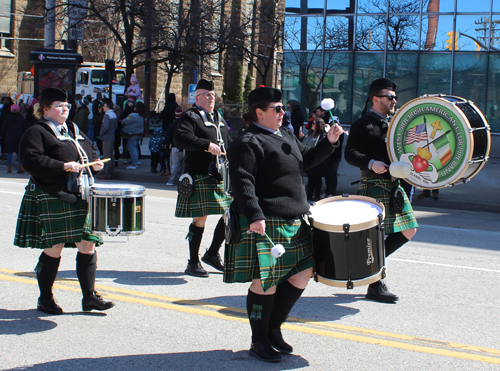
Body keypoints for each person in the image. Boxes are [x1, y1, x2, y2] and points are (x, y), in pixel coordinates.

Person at [225, 86, 343, 362]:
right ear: (258, 112)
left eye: (282, 108)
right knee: (265, 282)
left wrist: (329, 141)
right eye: (276, 108)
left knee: (302, 274)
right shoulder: (248, 141)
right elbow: (243, 182)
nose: (282, 112)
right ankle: (259, 340)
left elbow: (307, 161)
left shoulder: (285, 134)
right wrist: (254, 216)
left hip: (294, 218)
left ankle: (274, 328)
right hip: (267, 219)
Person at [14, 87, 114, 314]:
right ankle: (45, 297)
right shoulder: (38, 131)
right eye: (59, 106)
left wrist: (96, 164)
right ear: (45, 109)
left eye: (67, 106)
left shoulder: (73, 129)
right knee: (54, 246)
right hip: (53, 192)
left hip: (79, 193)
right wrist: (62, 166)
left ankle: (89, 297)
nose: (64, 109)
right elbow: (31, 160)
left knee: (88, 243)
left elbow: (90, 150)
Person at [344, 78, 418, 303]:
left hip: (395, 184)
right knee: (374, 237)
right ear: (376, 99)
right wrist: (370, 162)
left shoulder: (395, 124)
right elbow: (350, 153)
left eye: (395, 97)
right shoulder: (363, 124)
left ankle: (366, 267)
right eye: (390, 97)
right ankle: (375, 283)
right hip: (374, 183)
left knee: (408, 230)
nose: (395, 100)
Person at [173, 79, 231, 277]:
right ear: (197, 98)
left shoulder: (218, 117)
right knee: (200, 219)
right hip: (199, 173)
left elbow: (227, 142)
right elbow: (180, 138)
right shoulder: (191, 117)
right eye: (207, 95)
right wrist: (206, 144)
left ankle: (213, 253)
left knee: (229, 215)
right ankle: (193, 262)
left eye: (213, 95)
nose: (211, 97)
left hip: (219, 175)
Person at [301, 117, 329, 201]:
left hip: (317, 161)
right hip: (309, 158)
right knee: (310, 179)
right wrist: (301, 137)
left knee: (317, 179)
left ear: (318, 125)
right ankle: (309, 196)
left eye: (313, 123)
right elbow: (304, 143)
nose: (312, 125)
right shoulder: (309, 133)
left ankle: (317, 196)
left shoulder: (322, 135)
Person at [0, 104, 27, 173]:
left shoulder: (7, 117)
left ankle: (9, 168)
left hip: (9, 136)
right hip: (19, 136)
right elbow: (24, 128)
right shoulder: (21, 117)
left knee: (9, 153)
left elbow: (4, 127)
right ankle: (21, 168)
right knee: (19, 153)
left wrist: (2, 135)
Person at [121, 101, 146, 170]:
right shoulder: (142, 116)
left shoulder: (132, 115)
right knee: (135, 148)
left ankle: (134, 164)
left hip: (131, 134)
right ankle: (136, 161)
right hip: (138, 134)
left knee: (132, 149)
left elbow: (124, 121)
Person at [98, 101, 118, 179]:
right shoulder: (114, 114)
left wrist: (101, 134)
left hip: (107, 137)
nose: (103, 107)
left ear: (107, 107)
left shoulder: (107, 115)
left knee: (106, 156)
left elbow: (105, 127)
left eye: (104, 106)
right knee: (111, 156)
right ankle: (111, 172)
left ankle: (107, 173)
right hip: (112, 136)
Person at [166, 108, 185, 184]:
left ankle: (172, 180)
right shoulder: (185, 125)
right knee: (184, 166)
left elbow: (168, 137)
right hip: (185, 147)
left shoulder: (172, 125)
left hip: (175, 147)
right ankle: (183, 181)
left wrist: (167, 146)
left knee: (175, 165)